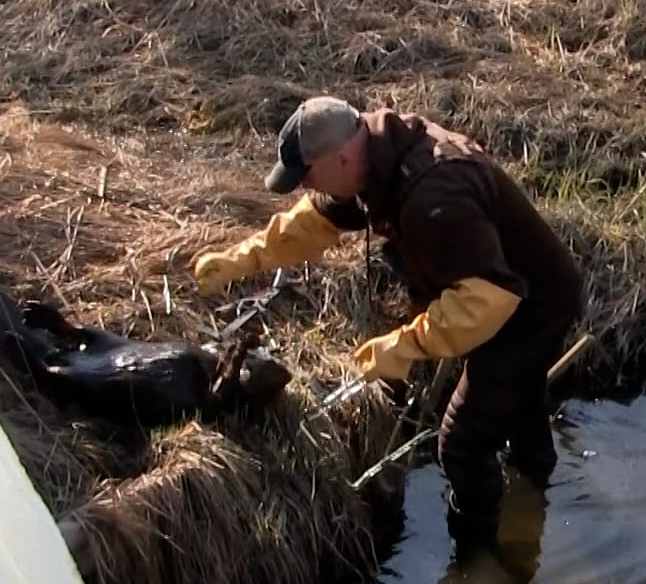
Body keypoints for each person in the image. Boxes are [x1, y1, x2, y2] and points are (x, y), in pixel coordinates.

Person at [191, 96, 584, 550]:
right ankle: (532, 496)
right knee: (517, 398)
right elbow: (315, 220)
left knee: (462, 440)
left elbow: (488, 297)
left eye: (308, 175)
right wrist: (241, 260)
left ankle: (482, 564)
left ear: (340, 158)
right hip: (499, 288)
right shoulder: (372, 157)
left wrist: (404, 347)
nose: (305, 187)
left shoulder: (433, 193)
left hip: (530, 306)